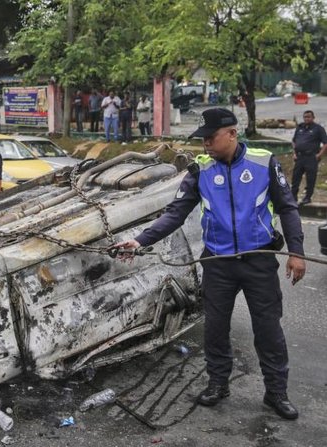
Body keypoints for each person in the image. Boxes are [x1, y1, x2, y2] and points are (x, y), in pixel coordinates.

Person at [115, 108, 306, 420]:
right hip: (217, 263)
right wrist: (140, 241)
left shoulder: (263, 162)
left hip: (258, 261)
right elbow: (175, 213)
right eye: (201, 139)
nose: (205, 144)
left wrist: (296, 252)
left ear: (232, 133)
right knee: (215, 329)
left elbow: (288, 208)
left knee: (268, 330)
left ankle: (276, 393)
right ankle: (218, 384)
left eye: (210, 138)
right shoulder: (199, 170)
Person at [290, 110, 327, 205]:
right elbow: (294, 141)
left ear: (313, 118)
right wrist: (294, 153)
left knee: (310, 178)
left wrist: (319, 154)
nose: (306, 118)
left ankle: (307, 198)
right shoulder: (300, 127)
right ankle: (293, 197)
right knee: (295, 178)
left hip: (311, 157)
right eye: (305, 117)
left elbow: (325, 143)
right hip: (299, 157)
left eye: (308, 117)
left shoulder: (318, 129)